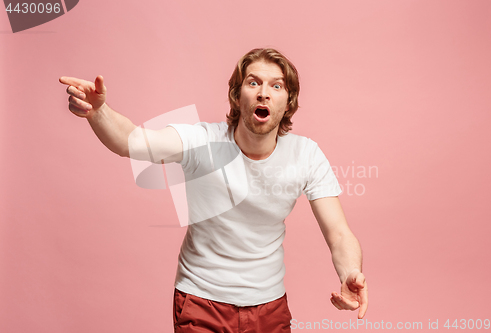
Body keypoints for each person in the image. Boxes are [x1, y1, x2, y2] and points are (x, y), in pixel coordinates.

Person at [60, 48, 368, 332]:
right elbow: (132, 141)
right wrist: (98, 110)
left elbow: (339, 233)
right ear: (236, 95)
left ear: (289, 101)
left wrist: (350, 273)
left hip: (270, 306)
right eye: (253, 83)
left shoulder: (306, 155)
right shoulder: (202, 142)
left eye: (276, 86)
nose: (263, 93)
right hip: (200, 301)